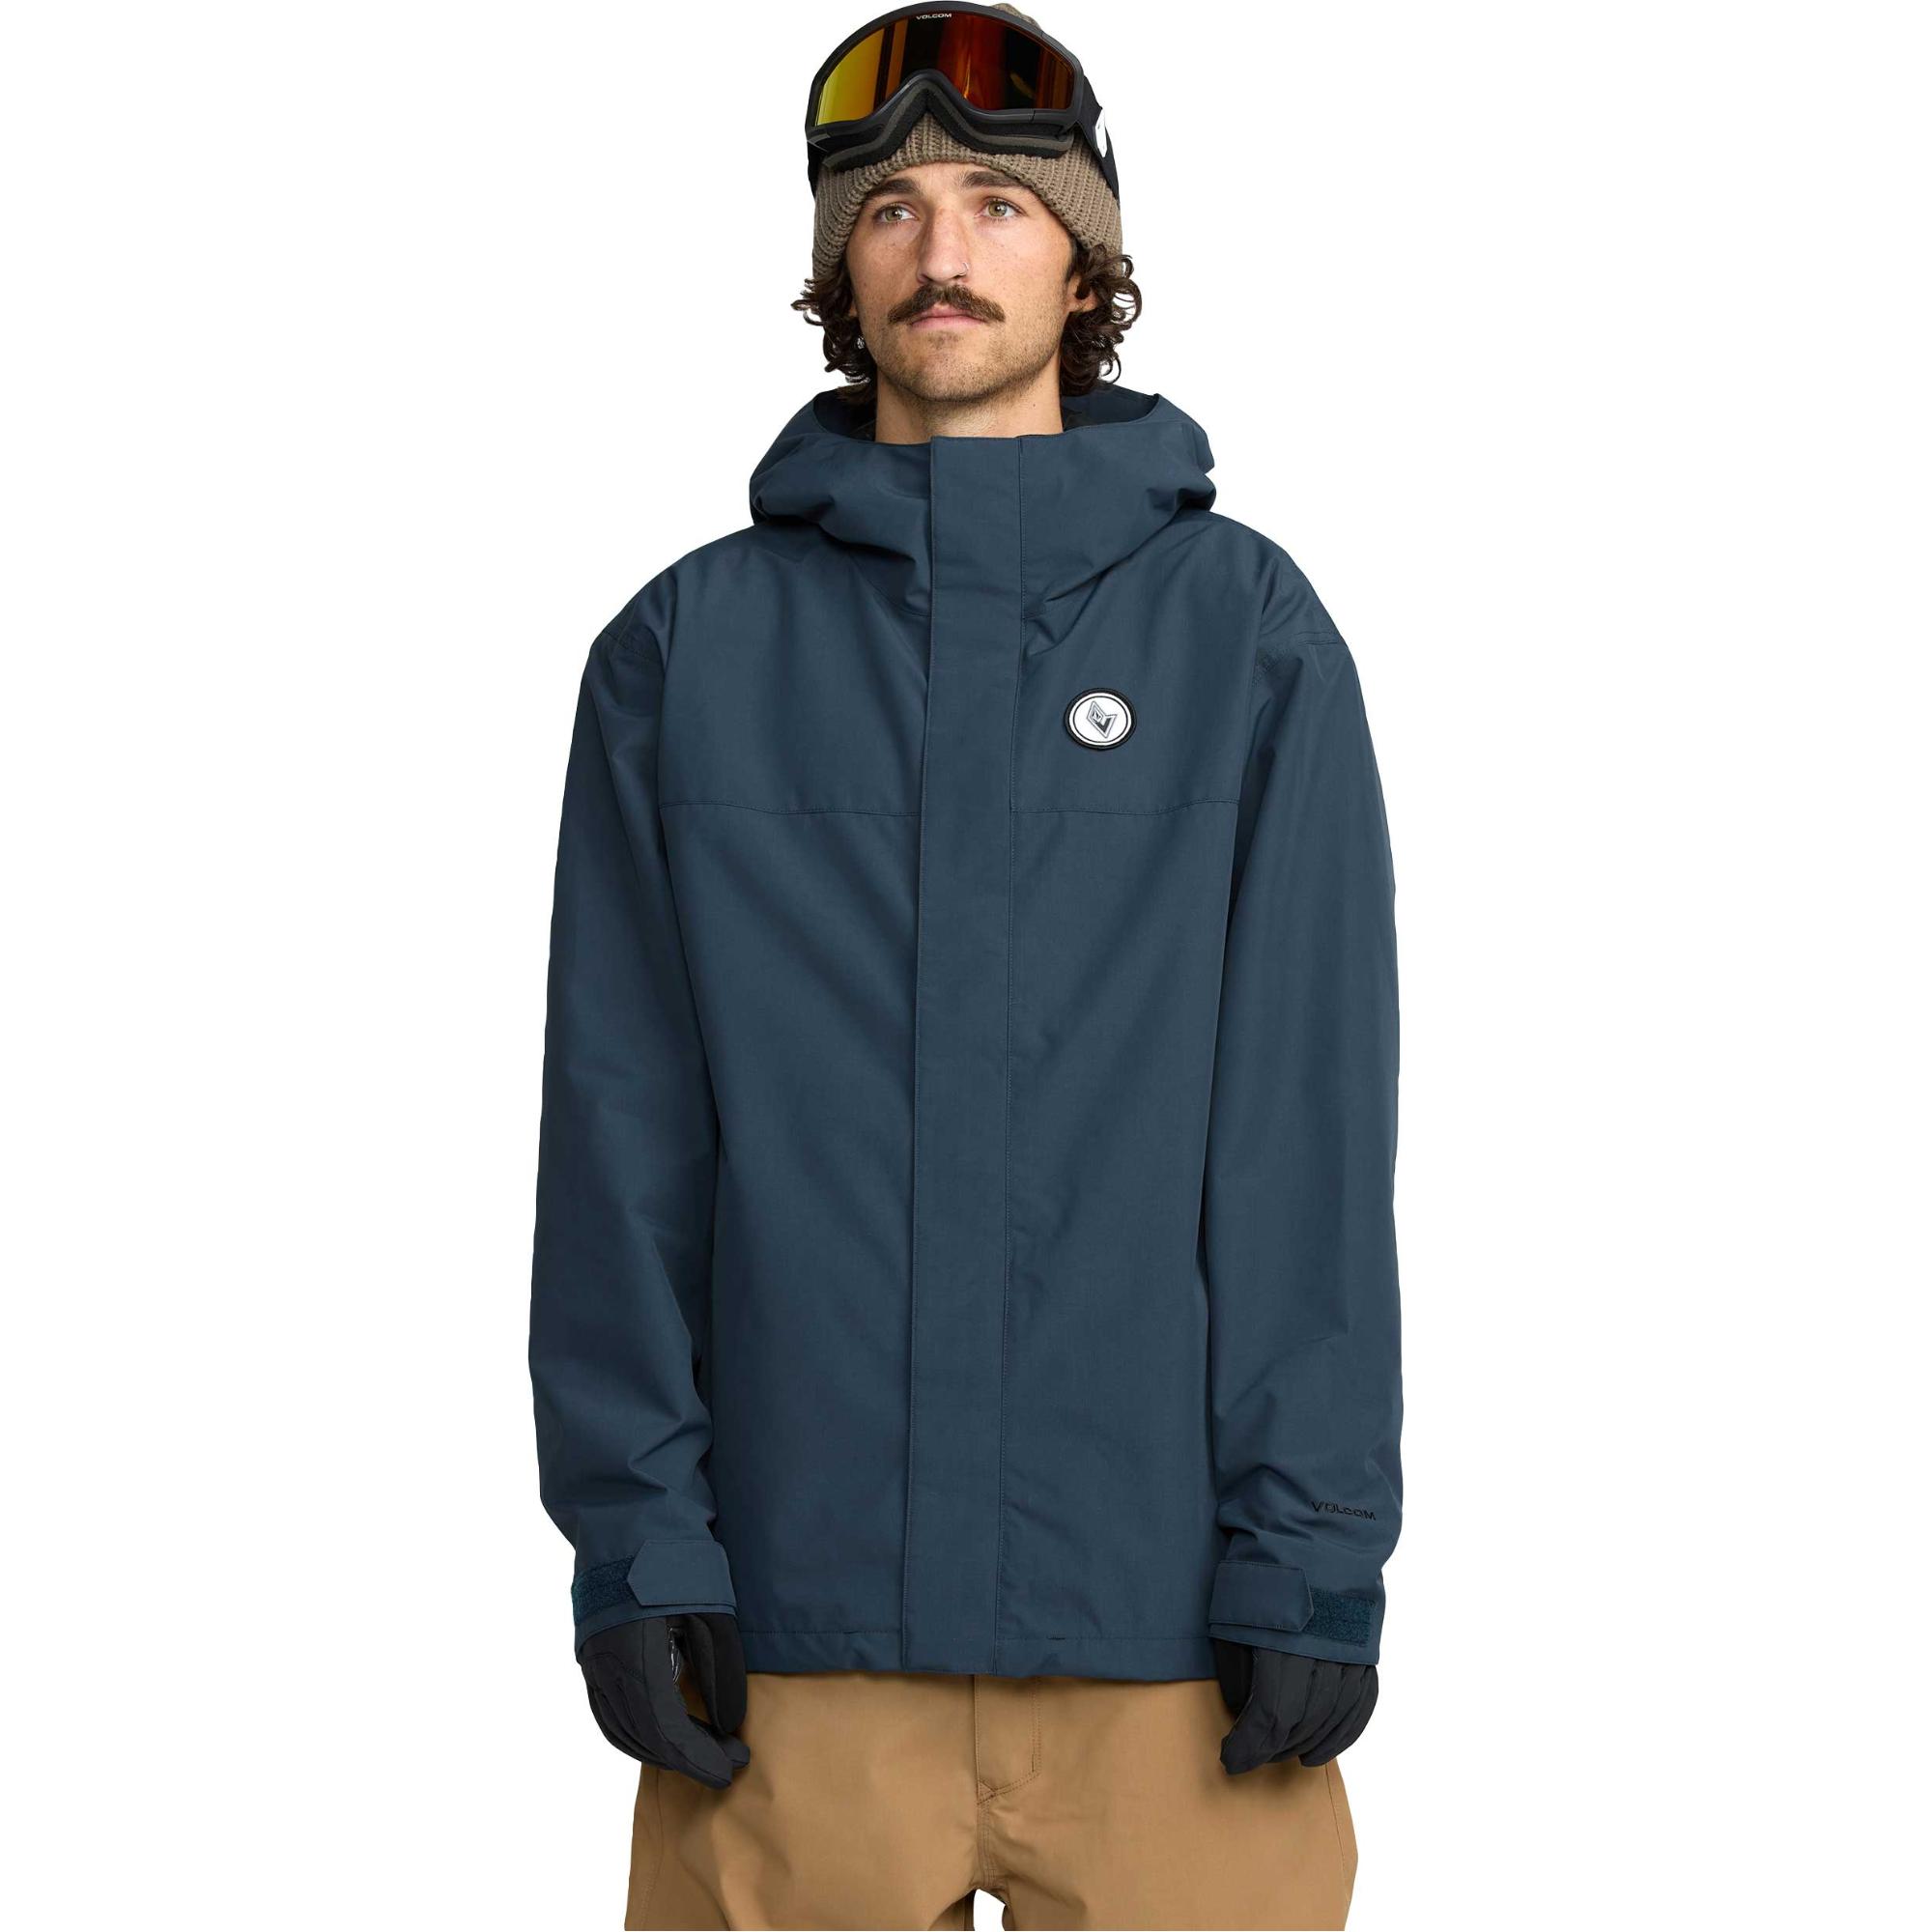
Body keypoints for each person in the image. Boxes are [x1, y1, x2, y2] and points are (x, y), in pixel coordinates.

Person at [529, 6, 1403, 1925]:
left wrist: (1310, 1557)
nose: (941, 250)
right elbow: (619, 1143)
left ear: (1084, 267)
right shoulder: (683, 656)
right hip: (790, 1654)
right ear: (837, 271)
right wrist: (638, 1548)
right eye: (892, 208)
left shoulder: (1244, 637)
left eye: (1001, 204)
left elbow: (1308, 1141)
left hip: (1173, 1656)